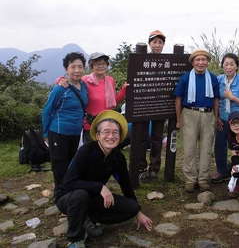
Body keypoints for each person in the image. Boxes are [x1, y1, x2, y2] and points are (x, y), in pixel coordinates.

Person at [55, 110, 152, 248]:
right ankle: (76, 239)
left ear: (120, 136)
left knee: (131, 207)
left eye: (115, 132)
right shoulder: (86, 151)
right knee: (80, 195)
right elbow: (69, 183)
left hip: (93, 197)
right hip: (68, 196)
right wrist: (100, 187)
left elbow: (126, 186)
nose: (111, 136)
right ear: (98, 135)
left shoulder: (118, 157)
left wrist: (138, 212)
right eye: (106, 132)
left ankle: (88, 218)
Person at [174, 48, 220, 193]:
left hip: (208, 115)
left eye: (203, 60)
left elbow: (216, 99)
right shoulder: (186, 77)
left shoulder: (212, 78)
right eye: (197, 60)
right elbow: (178, 99)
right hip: (189, 114)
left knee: (206, 149)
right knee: (189, 149)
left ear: (207, 62)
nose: (201, 62)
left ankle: (203, 179)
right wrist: (178, 119)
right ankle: (190, 180)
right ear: (193, 62)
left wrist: (216, 117)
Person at [42, 52, 88, 192]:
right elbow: (47, 110)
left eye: (80, 67)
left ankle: (68, 190)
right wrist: (45, 134)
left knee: (71, 163)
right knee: (59, 165)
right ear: (66, 69)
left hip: (75, 132)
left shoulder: (84, 86)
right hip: (58, 132)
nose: (77, 70)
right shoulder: (60, 88)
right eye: (73, 67)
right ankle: (59, 195)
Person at [57, 52, 128, 143]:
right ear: (92, 66)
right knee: (91, 153)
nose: (100, 66)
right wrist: (60, 80)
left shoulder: (110, 80)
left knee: (106, 152)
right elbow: (70, 81)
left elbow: (114, 101)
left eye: (103, 64)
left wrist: (124, 90)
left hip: (107, 122)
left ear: (107, 65)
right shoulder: (85, 80)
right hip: (90, 125)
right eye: (97, 64)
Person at [130, 30, 167, 183]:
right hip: (143, 105)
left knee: (157, 138)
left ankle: (154, 168)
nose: (157, 45)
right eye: (154, 42)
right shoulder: (142, 60)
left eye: (160, 42)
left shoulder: (168, 62)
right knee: (141, 137)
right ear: (150, 44)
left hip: (160, 106)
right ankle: (140, 167)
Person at [212, 53, 239, 184]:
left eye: (232, 64)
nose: (228, 67)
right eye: (226, 64)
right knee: (219, 145)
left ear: (237, 66)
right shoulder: (218, 80)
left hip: (238, 120)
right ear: (222, 66)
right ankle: (222, 171)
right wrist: (216, 117)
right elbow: (216, 99)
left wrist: (232, 97)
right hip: (222, 118)